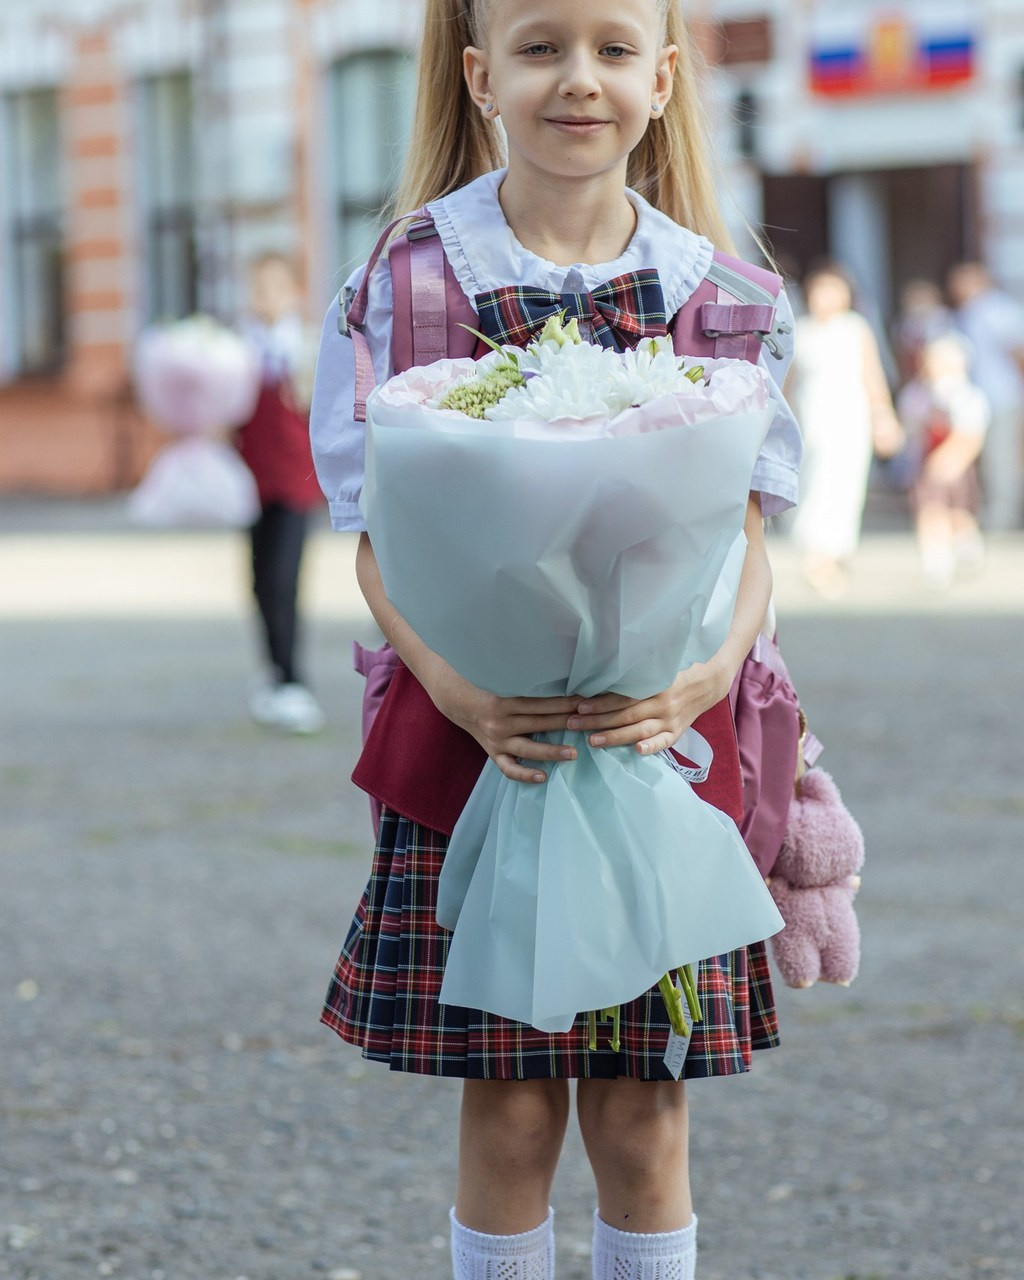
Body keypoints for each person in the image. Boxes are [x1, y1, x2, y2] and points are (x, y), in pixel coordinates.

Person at [307, 2, 803, 1277]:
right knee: (511, 1097)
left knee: (643, 1107)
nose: (576, 80)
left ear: (662, 77)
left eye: (610, 49)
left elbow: (746, 538)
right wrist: (459, 686)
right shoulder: (406, 283)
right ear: (480, 77)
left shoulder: (725, 295)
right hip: (478, 732)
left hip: (659, 738)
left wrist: (699, 678)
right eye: (538, 48)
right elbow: (376, 532)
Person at [235, 251, 325, 735]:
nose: (261, 298)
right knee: (256, 581)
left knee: (283, 578)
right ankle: (273, 674)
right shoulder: (237, 350)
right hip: (250, 481)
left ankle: (295, 680)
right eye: (255, 287)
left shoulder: (307, 347)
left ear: (292, 293)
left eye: (271, 287)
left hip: (294, 481)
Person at [790, 263, 902, 598]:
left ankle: (834, 550)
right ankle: (816, 551)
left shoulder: (855, 328)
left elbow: (872, 374)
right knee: (815, 479)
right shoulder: (801, 329)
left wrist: (883, 415)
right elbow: (789, 381)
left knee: (846, 481)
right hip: (812, 416)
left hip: (850, 415)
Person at [897, 332, 990, 588]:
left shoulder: (967, 395)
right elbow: (911, 427)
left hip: (956, 465)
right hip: (926, 464)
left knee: (960, 512)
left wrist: (954, 458)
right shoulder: (917, 394)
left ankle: (966, 543)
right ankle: (935, 561)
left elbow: (972, 434)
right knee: (929, 511)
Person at [947, 261, 1024, 532]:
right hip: (977, 397)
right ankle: (982, 512)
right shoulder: (966, 313)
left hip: (1003, 395)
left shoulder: (998, 309)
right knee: (980, 457)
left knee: (1002, 458)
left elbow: (1015, 350)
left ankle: (1003, 517)